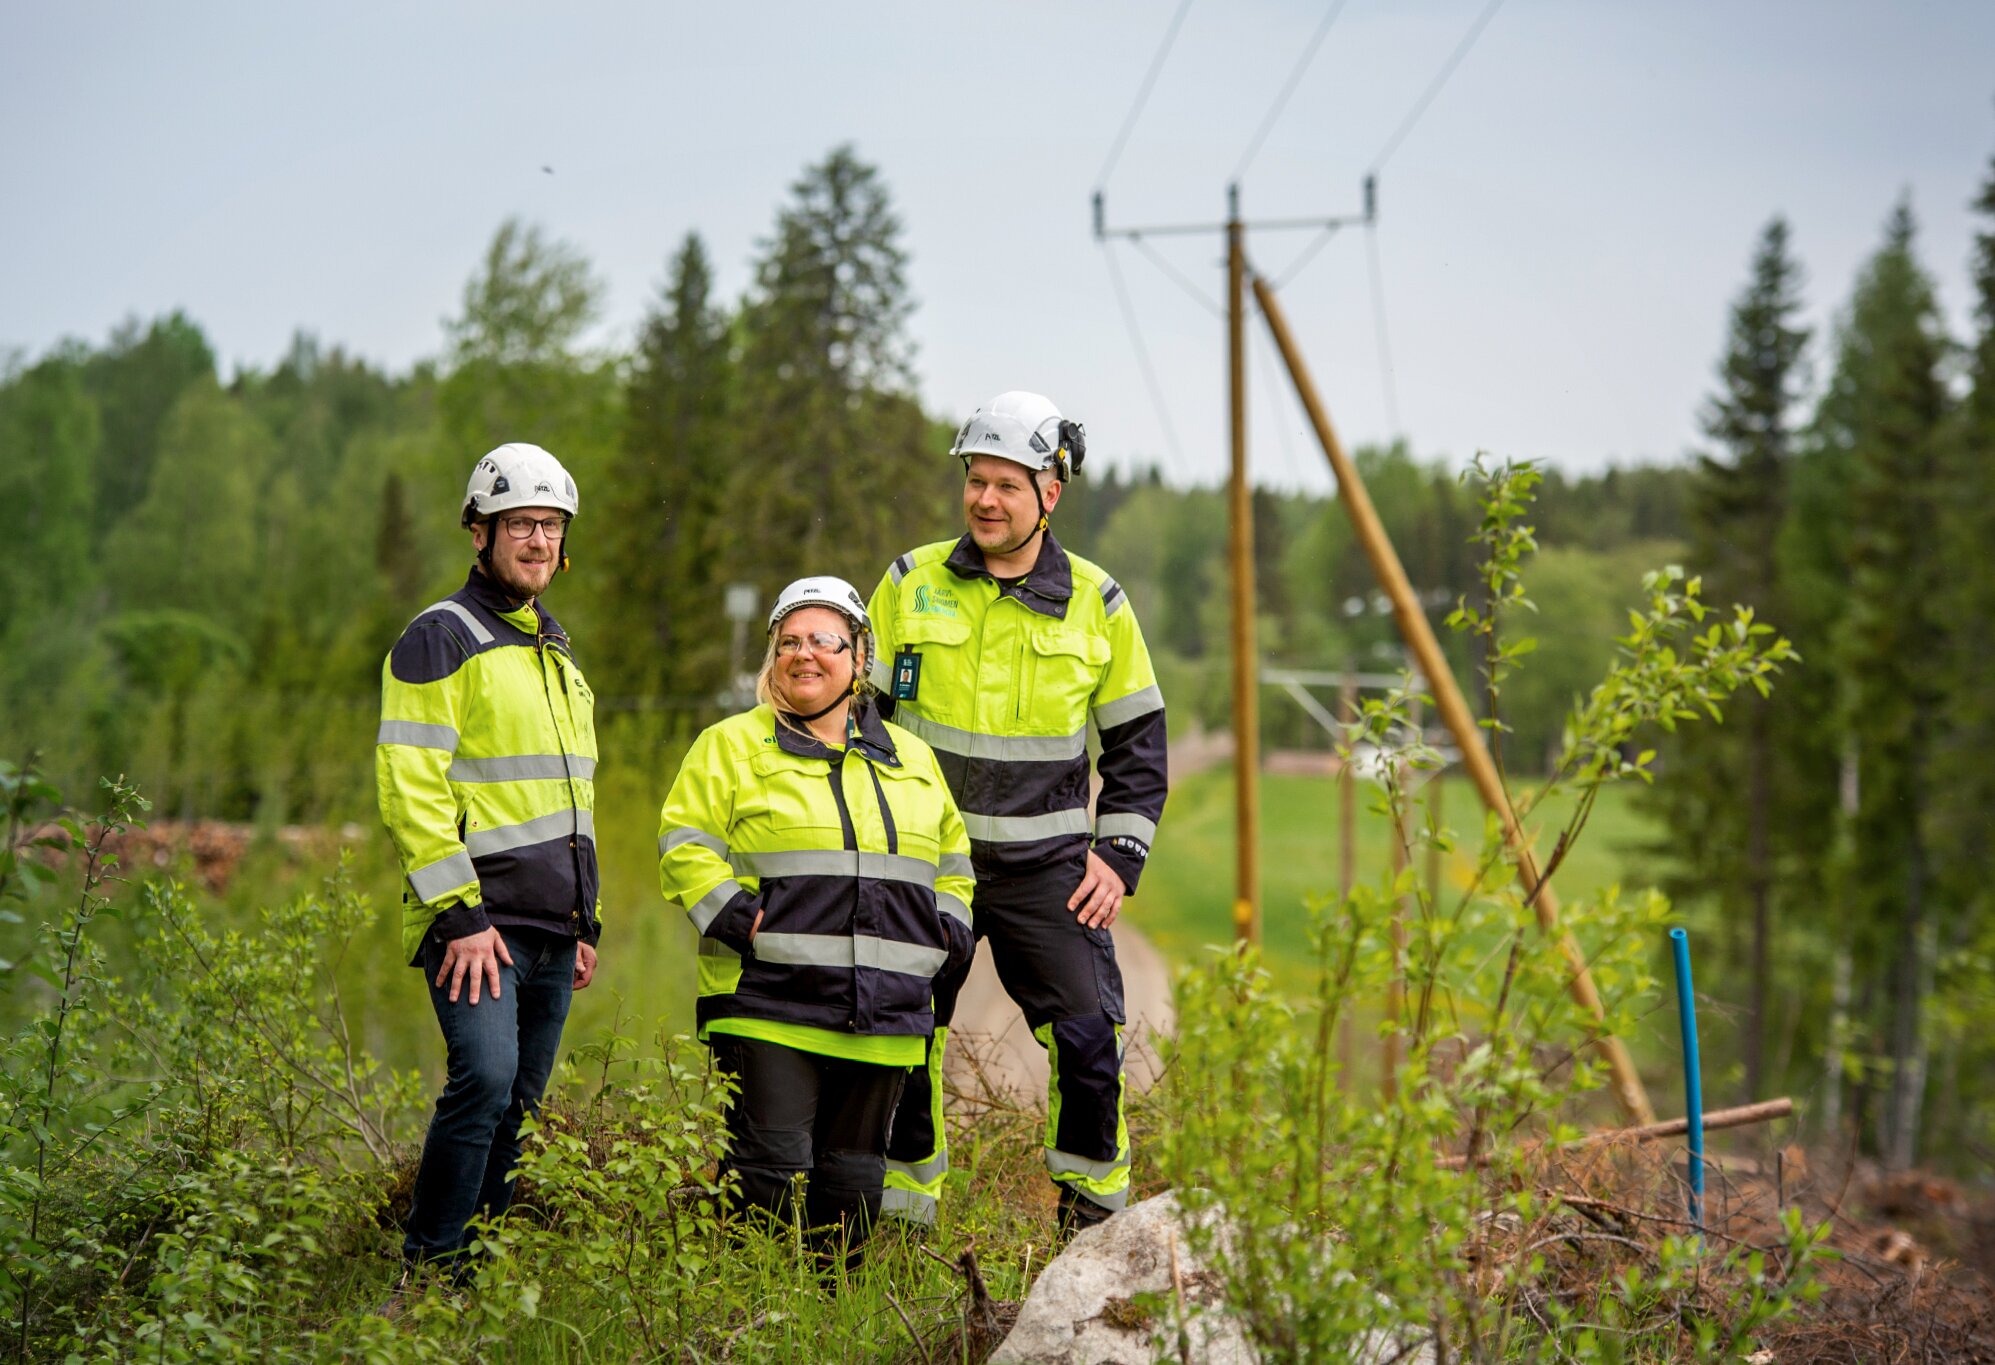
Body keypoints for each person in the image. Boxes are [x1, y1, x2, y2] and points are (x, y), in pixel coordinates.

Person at [868, 391, 1168, 1234]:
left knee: (1088, 1038)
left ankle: (1091, 1229)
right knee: (903, 1037)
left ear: (1050, 493)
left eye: (1007, 484)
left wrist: (1119, 853)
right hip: (927, 868)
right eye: (976, 480)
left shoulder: (1097, 601)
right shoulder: (909, 583)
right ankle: (901, 1218)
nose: (986, 499)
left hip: (1049, 872)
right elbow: (857, 720)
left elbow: (1139, 740)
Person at [657, 576, 975, 1272]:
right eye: (788, 642)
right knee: (767, 1173)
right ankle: (751, 1309)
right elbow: (684, 845)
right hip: (768, 1002)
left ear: (860, 657)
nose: (803, 654)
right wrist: (740, 920)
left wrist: (947, 932)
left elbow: (954, 860)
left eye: (823, 640)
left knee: (854, 1183)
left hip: (886, 1012)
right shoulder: (729, 745)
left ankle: (832, 1316)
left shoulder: (912, 758)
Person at [376, 442, 602, 1278]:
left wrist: (587, 920)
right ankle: (427, 1273)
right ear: (480, 532)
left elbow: (574, 800)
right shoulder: (441, 636)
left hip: (554, 926)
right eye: (519, 524)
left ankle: (475, 1280)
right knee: (484, 1079)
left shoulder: (556, 652)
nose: (538, 539)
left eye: (551, 524)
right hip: (478, 922)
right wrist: (462, 915)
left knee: (521, 1108)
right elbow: (409, 785)